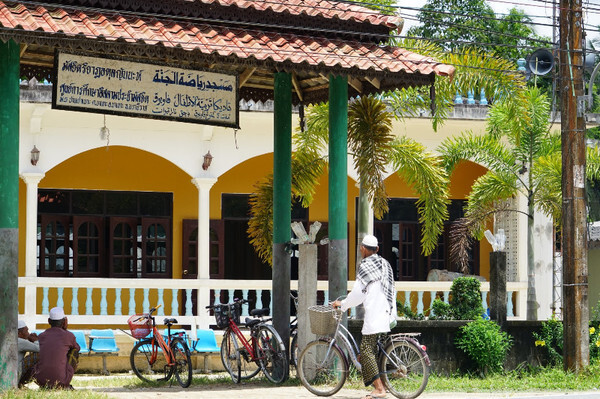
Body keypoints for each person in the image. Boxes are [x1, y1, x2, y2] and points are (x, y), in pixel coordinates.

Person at [333, 234, 397, 399]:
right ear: (377, 249)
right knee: (370, 350)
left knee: (366, 350)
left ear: (362, 248)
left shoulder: (365, 265)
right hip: (388, 311)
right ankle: (381, 383)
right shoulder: (384, 263)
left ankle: (379, 389)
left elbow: (357, 294)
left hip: (376, 313)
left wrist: (343, 304)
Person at [34, 307, 80, 389]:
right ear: (64, 321)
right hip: (61, 381)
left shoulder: (41, 336)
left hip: (41, 381)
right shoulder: (68, 335)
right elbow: (77, 348)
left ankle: (44, 381)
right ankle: (64, 383)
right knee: (74, 352)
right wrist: (65, 330)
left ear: (49, 321)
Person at [17, 320, 39, 387]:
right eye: (26, 331)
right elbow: (39, 349)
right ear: (19, 333)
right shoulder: (21, 341)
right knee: (38, 355)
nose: (28, 333)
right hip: (16, 371)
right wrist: (36, 340)